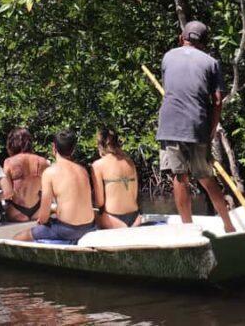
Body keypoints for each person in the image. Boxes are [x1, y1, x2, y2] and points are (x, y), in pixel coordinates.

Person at [157, 20, 236, 232]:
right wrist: (212, 129)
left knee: (179, 175)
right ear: (205, 43)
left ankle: (187, 228)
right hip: (197, 124)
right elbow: (217, 101)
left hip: (170, 124)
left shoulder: (168, 56)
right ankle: (229, 226)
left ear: (182, 38)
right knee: (205, 177)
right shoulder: (211, 63)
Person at [14, 130, 96, 242]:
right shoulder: (82, 170)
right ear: (73, 149)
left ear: (54, 147)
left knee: (19, 237)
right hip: (89, 226)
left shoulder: (50, 172)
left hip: (66, 229)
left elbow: (44, 214)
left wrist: (42, 221)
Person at [91, 128, 141, 228]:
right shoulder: (129, 162)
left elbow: (99, 202)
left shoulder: (97, 165)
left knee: (87, 213)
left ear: (100, 144)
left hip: (113, 219)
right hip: (136, 218)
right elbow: (135, 195)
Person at [2, 128, 50, 222]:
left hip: (17, 210)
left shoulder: (9, 162)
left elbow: (8, 193)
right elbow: (47, 190)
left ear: (12, 143)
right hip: (38, 209)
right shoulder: (43, 162)